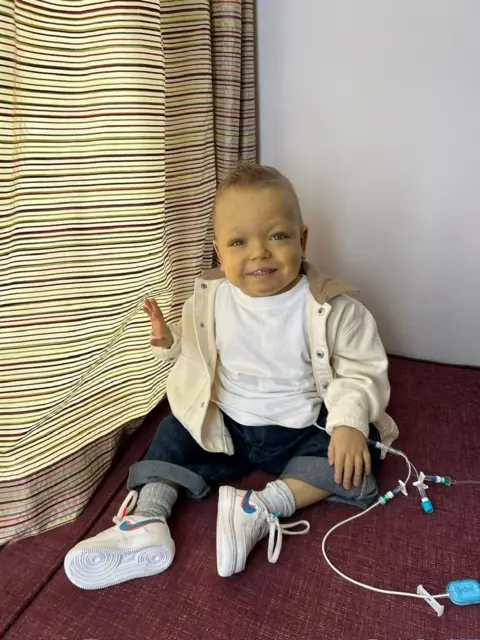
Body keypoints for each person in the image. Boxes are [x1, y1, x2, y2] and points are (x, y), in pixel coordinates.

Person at [64, 162, 399, 590]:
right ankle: (147, 520)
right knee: (173, 430)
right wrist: (172, 340)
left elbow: (359, 370)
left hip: (299, 427)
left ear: (303, 239)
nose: (259, 252)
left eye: (277, 236)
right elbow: (202, 349)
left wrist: (349, 424)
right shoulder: (211, 299)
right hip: (228, 428)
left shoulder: (335, 309)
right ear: (220, 254)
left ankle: (259, 508)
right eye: (239, 242)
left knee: (360, 451)